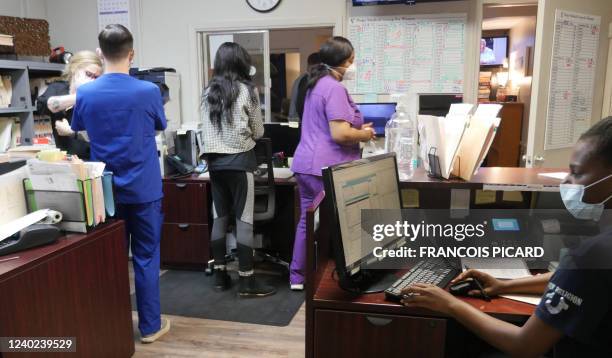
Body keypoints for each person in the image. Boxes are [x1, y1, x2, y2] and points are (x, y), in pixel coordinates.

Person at [401, 117, 612, 358]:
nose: (566, 182)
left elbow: (524, 346)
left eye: (576, 173)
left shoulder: (591, 255)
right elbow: (575, 280)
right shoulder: (592, 258)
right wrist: (504, 285)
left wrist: (449, 304)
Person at [70, 24, 170, 343]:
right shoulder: (148, 91)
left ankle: (110, 327)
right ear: (132, 53)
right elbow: (158, 126)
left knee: (109, 261)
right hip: (144, 188)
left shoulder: (86, 92)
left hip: (105, 190)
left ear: (100, 53)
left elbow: (79, 128)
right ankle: (150, 327)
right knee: (145, 257)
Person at [289, 37, 376, 290]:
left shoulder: (315, 85)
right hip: (325, 168)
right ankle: (343, 277)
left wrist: (357, 129)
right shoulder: (335, 88)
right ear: (340, 62)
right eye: (351, 61)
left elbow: (328, 126)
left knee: (307, 223)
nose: (353, 66)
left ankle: (297, 276)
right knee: (342, 222)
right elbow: (340, 134)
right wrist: (365, 135)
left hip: (305, 165)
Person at [200, 42, 275, 298]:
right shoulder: (247, 91)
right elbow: (259, 131)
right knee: (244, 221)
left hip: (215, 165)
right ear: (241, 63)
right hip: (240, 161)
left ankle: (220, 276)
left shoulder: (208, 91)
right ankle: (246, 281)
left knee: (220, 217)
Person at [36, 50, 102, 159]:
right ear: (74, 69)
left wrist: (72, 133)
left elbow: (99, 138)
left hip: (87, 159)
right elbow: (43, 105)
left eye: (96, 78)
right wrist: (80, 96)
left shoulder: (97, 99)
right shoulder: (58, 88)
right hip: (60, 159)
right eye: (89, 74)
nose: (92, 81)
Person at [288, 52, 321, 122]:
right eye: (313, 68)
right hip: (303, 123)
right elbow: (293, 105)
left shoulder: (324, 81)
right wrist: (293, 123)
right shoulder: (299, 81)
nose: (314, 71)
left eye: (317, 68)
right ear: (308, 66)